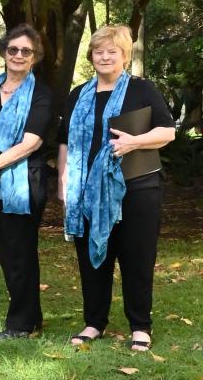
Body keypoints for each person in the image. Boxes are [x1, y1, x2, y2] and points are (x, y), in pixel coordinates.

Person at [58, 26, 175, 352]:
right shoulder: (77, 94)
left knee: (137, 256)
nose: (105, 57)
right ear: (91, 56)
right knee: (93, 259)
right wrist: (63, 180)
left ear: (124, 55)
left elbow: (168, 132)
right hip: (85, 192)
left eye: (112, 51)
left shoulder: (142, 90)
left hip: (136, 188)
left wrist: (134, 141)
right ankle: (94, 322)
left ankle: (140, 326)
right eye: (99, 51)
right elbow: (65, 141)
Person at [0, 23, 53, 340]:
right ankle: (32, 317)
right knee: (7, 253)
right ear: (4, 52)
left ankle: (20, 324)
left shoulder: (40, 94)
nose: (18, 55)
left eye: (25, 51)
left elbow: (32, 142)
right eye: (12, 49)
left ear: (34, 57)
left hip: (23, 182)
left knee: (21, 253)